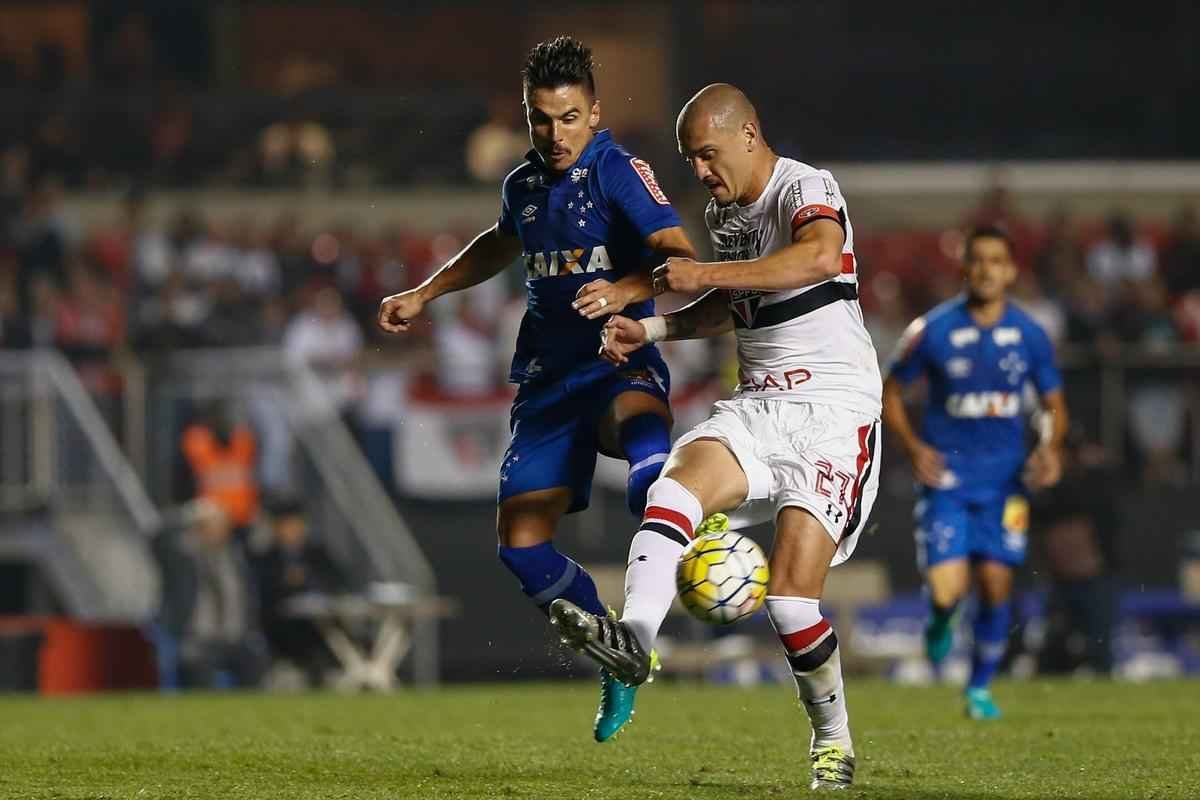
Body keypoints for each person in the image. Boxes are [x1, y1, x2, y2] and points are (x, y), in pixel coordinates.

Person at [551, 83, 880, 790]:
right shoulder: (723, 215)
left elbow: (819, 259)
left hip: (834, 411)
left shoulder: (804, 187)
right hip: (760, 403)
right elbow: (734, 302)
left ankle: (833, 738)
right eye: (690, 159)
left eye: (707, 154)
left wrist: (699, 271)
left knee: (792, 601)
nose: (699, 171)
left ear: (749, 135)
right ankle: (634, 643)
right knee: (672, 485)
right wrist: (656, 327)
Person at [377, 36, 698, 741]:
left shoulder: (619, 171)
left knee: (647, 452)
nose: (555, 134)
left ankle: (695, 543)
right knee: (521, 548)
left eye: (569, 117)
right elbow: (501, 241)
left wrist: (623, 290)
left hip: (616, 360)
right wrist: (426, 292)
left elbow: (680, 257)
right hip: (549, 382)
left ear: (595, 113)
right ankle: (618, 653)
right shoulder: (522, 184)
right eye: (541, 119)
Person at [881, 225, 1069, 720]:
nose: (986, 269)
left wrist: (1050, 445)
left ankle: (979, 688)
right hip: (947, 482)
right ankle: (942, 618)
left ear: (1010, 270)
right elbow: (892, 391)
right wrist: (914, 446)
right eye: (977, 260)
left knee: (995, 585)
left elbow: (1053, 405)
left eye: (996, 260)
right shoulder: (932, 330)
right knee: (948, 591)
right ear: (963, 269)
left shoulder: (1030, 335)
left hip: (1006, 484)